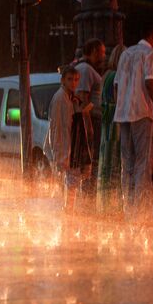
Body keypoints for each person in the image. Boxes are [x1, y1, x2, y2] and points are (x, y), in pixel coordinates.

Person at [113, 22, 153, 225]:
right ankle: (143, 215)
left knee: (127, 164)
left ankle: (129, 211)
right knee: (143, 166)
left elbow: (116, 86)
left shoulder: (125, 54)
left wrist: (121, 106)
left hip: (123, 115)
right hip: (142, 114)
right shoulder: (151, 54)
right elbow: (150, 83)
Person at [44, 65, 92, 214]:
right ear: (63, 80)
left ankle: (69, 209)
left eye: (76, 80)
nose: (73, 83)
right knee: (71, 180)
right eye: (70, 79)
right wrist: (60, 153)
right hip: (66, 146)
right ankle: (68, 210)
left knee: (72, 180)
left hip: (73, 144)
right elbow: (56, 127)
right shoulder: (60, 98)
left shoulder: (71, 97)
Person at [74, 38, 106, 205]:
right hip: (91, 121)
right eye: (102, 52)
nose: (104, 55)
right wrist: (89, 128)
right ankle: (88, 201)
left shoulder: (85, 68)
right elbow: (82, 99)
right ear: (93, 51)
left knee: (90, 162)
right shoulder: (85, 69)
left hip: (92, 120)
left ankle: (88, 199)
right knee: (90, 162)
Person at [96, 44, 126, 217]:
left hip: (106, 121)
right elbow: (119, 98)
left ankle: (105, 203)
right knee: (116, 162)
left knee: (106, 162)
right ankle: (115, 207)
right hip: (115, 120)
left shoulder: (105, 75)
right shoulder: (117, 76)